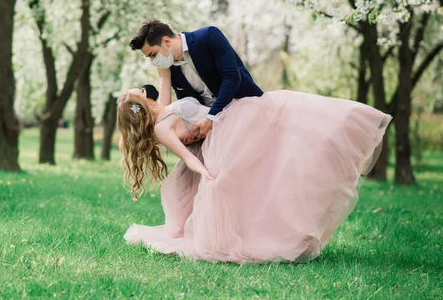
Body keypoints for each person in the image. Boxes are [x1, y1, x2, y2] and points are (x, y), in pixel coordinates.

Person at [116, 79, 392, 263]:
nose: (140, 88)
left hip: (229, 121)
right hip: (222, 139)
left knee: (289, 123)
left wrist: (165, 53)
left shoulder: (164, 106)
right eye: (135, 92)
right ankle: (281, 233)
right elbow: (187, 157)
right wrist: (205, 172)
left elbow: (164, 81)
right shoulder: (161, 128)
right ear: (138, 106)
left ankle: (346, 126)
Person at [129, 20, 262, 144]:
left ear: (166, 41)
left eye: (153, 54)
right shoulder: (170, 68)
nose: (153, 61)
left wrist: (211, 117)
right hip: (216, 130)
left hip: (246, 107)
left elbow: (232, 77)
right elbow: (187, 100)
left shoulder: (208, 36)